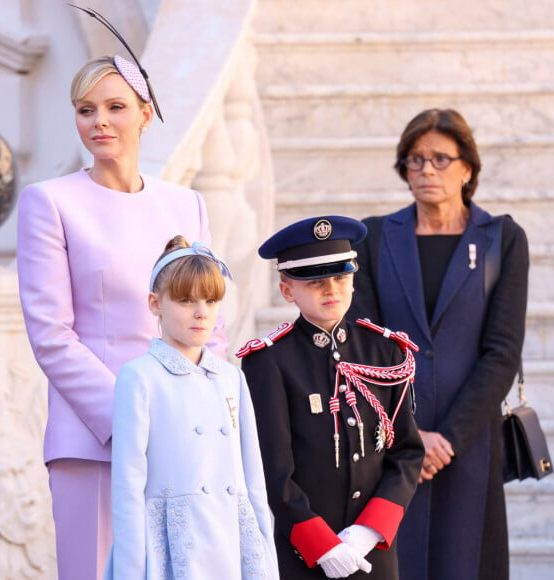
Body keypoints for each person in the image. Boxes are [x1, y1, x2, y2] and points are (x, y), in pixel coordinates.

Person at [16, 55, 227, 580]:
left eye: (115, 107)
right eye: (86, 110)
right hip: (94, 441)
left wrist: (194, 411)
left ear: (145, 114)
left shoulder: (186, 204)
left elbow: (209, 322)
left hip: (178, 437)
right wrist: (133, 421)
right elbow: (51, 335)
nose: (100, 121)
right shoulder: (49, 202)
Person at [347, 108, 529, 580]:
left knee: (465, 562)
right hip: (390, 438)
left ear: (467, 168)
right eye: (415, 159)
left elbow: (503, 350)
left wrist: (446, 438)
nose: (427, 170)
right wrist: (409, 434)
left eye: (441, 159)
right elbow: (365, 345)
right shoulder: (374, 239)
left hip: (468, 439)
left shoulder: (502, 239)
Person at [238, 216, 425, 579]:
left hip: (372, 553)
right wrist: (320, 544)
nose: (331, 290)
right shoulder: (270, 362)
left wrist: (368, 531)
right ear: (287, 290)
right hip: (303, 557)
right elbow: (272, 473)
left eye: (341, 277)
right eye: (316, 281)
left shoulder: (384, 352)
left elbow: (406, 452)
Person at [103, 236, 279, 580]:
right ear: (155, 303)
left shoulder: (231, 378)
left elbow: (254, 482)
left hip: (232, 545)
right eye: (185, 300)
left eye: (211, 301)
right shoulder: (139, 377)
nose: (201, 312)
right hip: (170, 549)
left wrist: (265, 563)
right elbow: (128, 487)